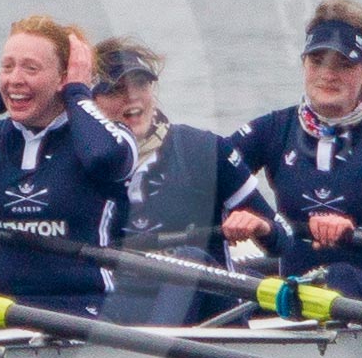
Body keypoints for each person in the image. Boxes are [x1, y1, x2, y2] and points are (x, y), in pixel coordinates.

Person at [221, 0, 362, 305]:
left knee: (339, 276)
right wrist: (250, 219)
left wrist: (354, 232)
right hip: (297, 296)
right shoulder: (274, 129)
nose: (328, 73)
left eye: (344, 64)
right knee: (215, 273)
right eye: (317, 60)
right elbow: (206, 178)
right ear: (304, 65)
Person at [0, 15, 136, 317]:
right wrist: (0, 97)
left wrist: (77, 92)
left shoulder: (112, 138)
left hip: (80, 311)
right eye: (7, 66)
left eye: (30, 68)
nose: (16, 77)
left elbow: (103, 158)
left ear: (62, 78)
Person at [86, 36, 270, 325]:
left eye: (141, 85)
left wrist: (260, 225)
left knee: (188, 258)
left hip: (211, 316)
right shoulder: (80, 162)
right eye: (117, 90)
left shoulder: (203, 150)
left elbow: (283, 240)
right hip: (122, 305)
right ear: (90, 103)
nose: (132, 98)